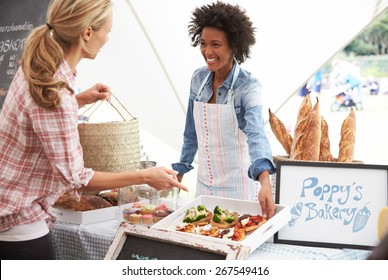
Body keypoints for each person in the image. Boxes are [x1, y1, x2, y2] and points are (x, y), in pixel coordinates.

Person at [0, 0, 187, 260]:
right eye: (107, 31)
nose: (108, 38)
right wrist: (145, 176)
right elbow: (78, 179)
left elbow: (35, 118)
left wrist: (79, 100)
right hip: (19, 230)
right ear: (87, 32)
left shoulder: (38, 69)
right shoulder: (55, 94)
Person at [172, 1, 276, 219]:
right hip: (203, 189)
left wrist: (265, 181)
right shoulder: (198, 78)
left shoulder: (248, 87)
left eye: (216, 45)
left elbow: (257, 134)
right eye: (203, 43)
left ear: (234, 46)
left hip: (239, 191)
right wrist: (180, 170)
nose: (207, 51)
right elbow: (191, 133)